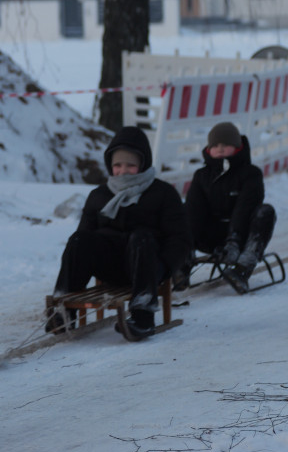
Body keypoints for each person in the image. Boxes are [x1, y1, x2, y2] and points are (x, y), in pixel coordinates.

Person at [46, 126, 192, 340]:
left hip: (148, 265)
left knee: (141, 237)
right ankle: (63, 310)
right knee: (79, 240)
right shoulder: (99, 195)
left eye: (130, 165)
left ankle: (143, 317)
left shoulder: (163, 193)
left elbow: (181, 238)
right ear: (110, 166)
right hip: (112, 266)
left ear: (142, 164)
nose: (123, 170)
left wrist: (164, 268)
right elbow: (84, 239)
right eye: (118, 165)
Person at [184, 122, 274, 293]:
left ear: (237, 147)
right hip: (212, 235)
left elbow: (245, 207)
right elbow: (193, 212)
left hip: (242, 236)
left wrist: (234, 240)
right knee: (184, 210)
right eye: (215, 145)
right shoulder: (202, 176)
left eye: (225, 145)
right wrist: (187, 239)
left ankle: (242, 268)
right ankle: (183, 264)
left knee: (265, 212)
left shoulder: (250, 173)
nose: (220, 149)